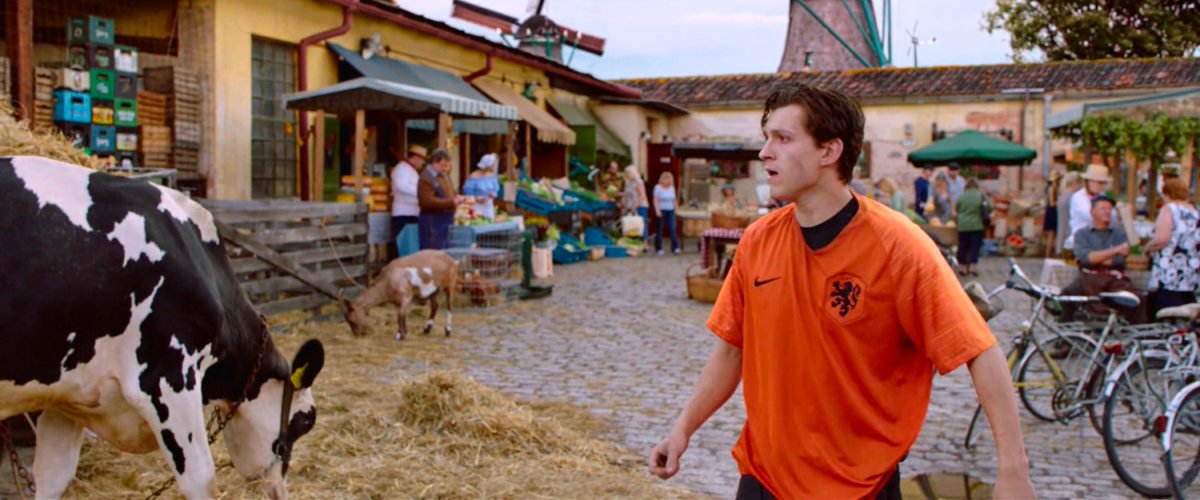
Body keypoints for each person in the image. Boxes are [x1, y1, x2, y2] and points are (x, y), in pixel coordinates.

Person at [647, 81, 1034, 499]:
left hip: (859, 486)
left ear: (828, 152)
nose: (765, 152)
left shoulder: (899, 246)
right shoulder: (757, 242)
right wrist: (682, 428)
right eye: (766, 138)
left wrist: (1013, 470)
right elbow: (732, 350)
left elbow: (979, 350)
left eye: (783, 138)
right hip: (763, 479)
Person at [1070, 194, 1145, 322]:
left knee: (1136, 298)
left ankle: (1132, 336)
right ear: (1092, 211)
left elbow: (1119, 260)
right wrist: (1115, 250)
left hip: (1113, 278)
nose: (1107, 212)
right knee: (1066, 296)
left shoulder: (1119, 234)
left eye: (1109, 209)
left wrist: (1097, 257)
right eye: (1103, 208)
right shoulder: (1082, 234)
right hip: (1088, 278)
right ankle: (1065, 336)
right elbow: (1086, 259)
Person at [1145, 178, 1200, 311]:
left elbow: (1162, 238)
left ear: (1167, 194)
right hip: (1190, 272)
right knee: (1186, 310)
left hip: (1169, 271)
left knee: (1167, 311)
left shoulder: (1169, 209)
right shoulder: (1194, 212)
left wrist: (1147, 247)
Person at [1065, 164, 1116, 252]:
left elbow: (1113, 218)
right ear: (1089, 181)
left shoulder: (1102, 196)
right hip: (1080, 242)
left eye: (1103, 183)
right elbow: (1092, 215)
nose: (1101, 186)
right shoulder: (1078, 197)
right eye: (1099, 182)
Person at [417, 149, 460, 250]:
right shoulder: (426, 178)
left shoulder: (444, 175)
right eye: (443, 164)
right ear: (435, 162)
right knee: (432, 250)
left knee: (446, 249)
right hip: (432, 220)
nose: (446, 167)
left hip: (447, 219)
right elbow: (427, 201)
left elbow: (451, 192)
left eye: (447, 164)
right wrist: (451, 202)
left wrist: (458, 197)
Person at [391, 145, 427, 257]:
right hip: (403, 213)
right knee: (403, 243)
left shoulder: (412, 171)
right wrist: (420, 192)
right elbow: (401, 186)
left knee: (411, 244)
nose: (422, 163)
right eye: (422, 159)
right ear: (416, 157)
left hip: (412, 212)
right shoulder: (401, 168)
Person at [955, 179, 989, 277]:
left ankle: (961, 268)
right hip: (977, 226)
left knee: (962, 247)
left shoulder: (962, 196)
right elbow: (989, 207)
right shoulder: (981, 196)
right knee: (974, 248)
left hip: (963, 226)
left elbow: (957, 208)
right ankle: (972, 269)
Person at [462, 153, 500, 220]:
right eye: (492, 165)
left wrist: (493, 195)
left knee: (489, 224)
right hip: (477, 206)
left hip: (489, 206)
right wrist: (477, 199)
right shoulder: (474, 176)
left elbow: (496, 189)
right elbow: (468, 192)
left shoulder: (492, 176)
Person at [1054, 172, 1082, 257]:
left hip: (1062, 235)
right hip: (1069, 236)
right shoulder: (1073, 198)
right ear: (1076, 183)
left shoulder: (1062, 196)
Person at [653, 171, 681, 255]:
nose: (668, 182)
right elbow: (655, 199)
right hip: (662, 210)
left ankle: (675, 247)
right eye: (666, 180)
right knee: (660, 229)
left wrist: (676, 209)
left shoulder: (672, 188)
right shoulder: (657, 187)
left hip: (671, 210)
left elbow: (674, 199)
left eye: (669, 180)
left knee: (672, 229)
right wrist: (657, 210)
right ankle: (658, 248)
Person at [624, 165, 650, 242]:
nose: (627, 175)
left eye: (628, 173)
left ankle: (645, 244)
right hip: (630, 206)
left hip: (640, 206)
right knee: (632, 226)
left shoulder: (638, 182)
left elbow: (641, 196)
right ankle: (634, 243)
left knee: (642, 224)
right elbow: (628, 193)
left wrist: (635, 206)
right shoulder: (628, 182)